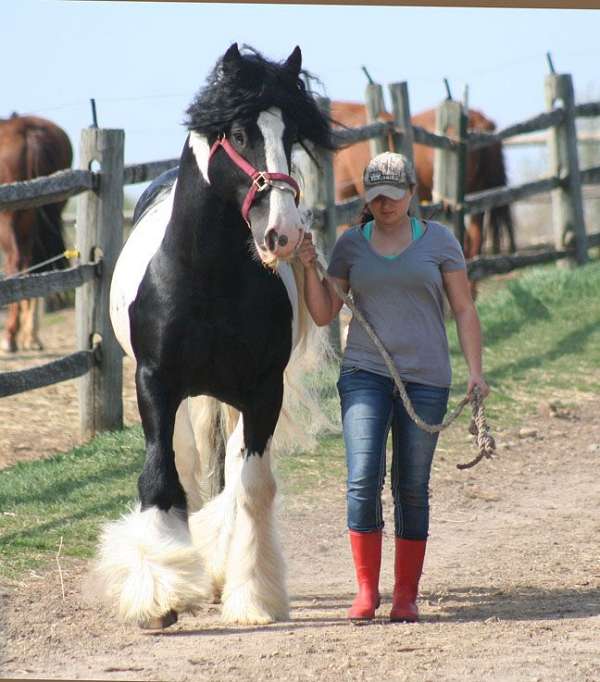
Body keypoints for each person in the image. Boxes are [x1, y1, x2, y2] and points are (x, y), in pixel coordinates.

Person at [297, 151, 490, 623]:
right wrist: (307, 267)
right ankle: (367, 591)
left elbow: (464, 309)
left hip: (427, 377)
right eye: (377, 197)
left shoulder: (440, 242)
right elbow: (324, 313)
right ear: (367, 197)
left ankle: (406, 594)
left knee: (412, 487)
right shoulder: (350, 245)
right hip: (365, 372)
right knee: (362, 478)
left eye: (394, 196)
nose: (385, 205)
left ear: (411, 195)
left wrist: (475, 371)